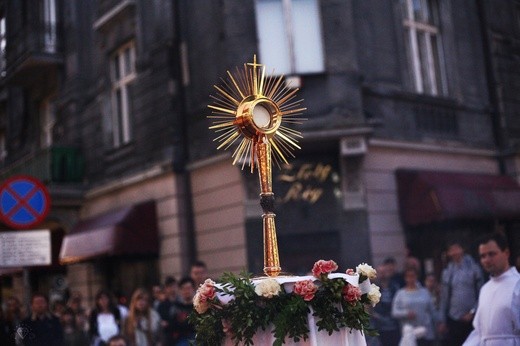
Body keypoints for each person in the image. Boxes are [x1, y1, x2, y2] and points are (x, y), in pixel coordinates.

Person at [463, 232, 520, 345]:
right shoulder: (485, 289)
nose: (487, 260)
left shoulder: (517, 284)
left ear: (506, 253)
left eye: (492, 254)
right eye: (483, 256)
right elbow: (480, 332)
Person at [438, 241, 483, 346]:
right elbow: (444, 298)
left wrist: (473, 312)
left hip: (471, 318)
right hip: (454, 317)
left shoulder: (474, 269)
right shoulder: (447, 272)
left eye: (456, 248)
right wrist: (442, 320)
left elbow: (481, 293)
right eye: (451, 250)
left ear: (462, 249)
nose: (454, 252)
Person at [392, 267, 438, 346]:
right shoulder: (400, 293)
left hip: (426, 330)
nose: (411, 279)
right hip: (409, 332)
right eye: (408, 276)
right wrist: (406, 313)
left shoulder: (425, 292)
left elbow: (432, 310)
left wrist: (439, 322)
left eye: (413, 276)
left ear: (416, 277)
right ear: (405, 278)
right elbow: (394, 312)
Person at [372, 264, 401, 346]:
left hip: (394, 323)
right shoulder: (374, 288)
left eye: (384, 272)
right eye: (380, 272)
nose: (383, 274)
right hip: (380, 324)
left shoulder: (395, 287)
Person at [169, 277, 196, 346]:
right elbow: (172, 326)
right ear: (180, 290)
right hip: (181, 339)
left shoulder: (199, 306)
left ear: (193, 289)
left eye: (188, 288)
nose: (186, 291)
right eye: (183, 289)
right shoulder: (175, 307)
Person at [157, 276, 178, 345]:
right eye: (169, 287)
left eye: (174, 286)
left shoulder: (181, 302)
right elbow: (162, 323)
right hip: (168, 338)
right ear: (165, 289)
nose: (172, 289)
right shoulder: (161, 305)